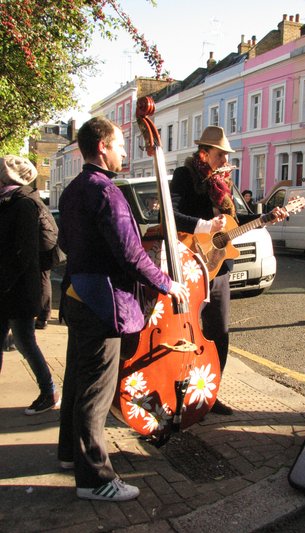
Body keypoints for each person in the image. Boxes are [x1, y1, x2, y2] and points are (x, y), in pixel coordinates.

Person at [57, 116, 188, 502]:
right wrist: (167, 283)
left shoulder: (72, 190)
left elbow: (68, 240)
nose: (124, 151)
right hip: (103, 302)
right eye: (119, 145)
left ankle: (69, 456)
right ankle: (95, 479)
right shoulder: (106, 192)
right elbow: (131, 255)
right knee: (96, 393)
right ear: (102, 148)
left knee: (77, 383)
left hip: (78, 295)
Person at [170, 126, 286, 415]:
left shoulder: (223, 182)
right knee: (188, 333)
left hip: (219, 268)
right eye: (221, 154)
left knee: (219, 332)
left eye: (226, 155)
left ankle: (210, 394)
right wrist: (205, 226)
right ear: (204, 153)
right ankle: (178, 391)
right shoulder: (185, 176)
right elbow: (170, 215)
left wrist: (266, 217)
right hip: (191, 264)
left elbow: (234, 221)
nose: (225, 160)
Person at [0, 155, 60, 414]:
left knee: (24, 341)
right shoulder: (8, 201)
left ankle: (48, 391)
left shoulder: (23, 204)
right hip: (8, 287)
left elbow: (24, 253)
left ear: (7, 177)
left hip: (18, 289)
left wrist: (5, 283)